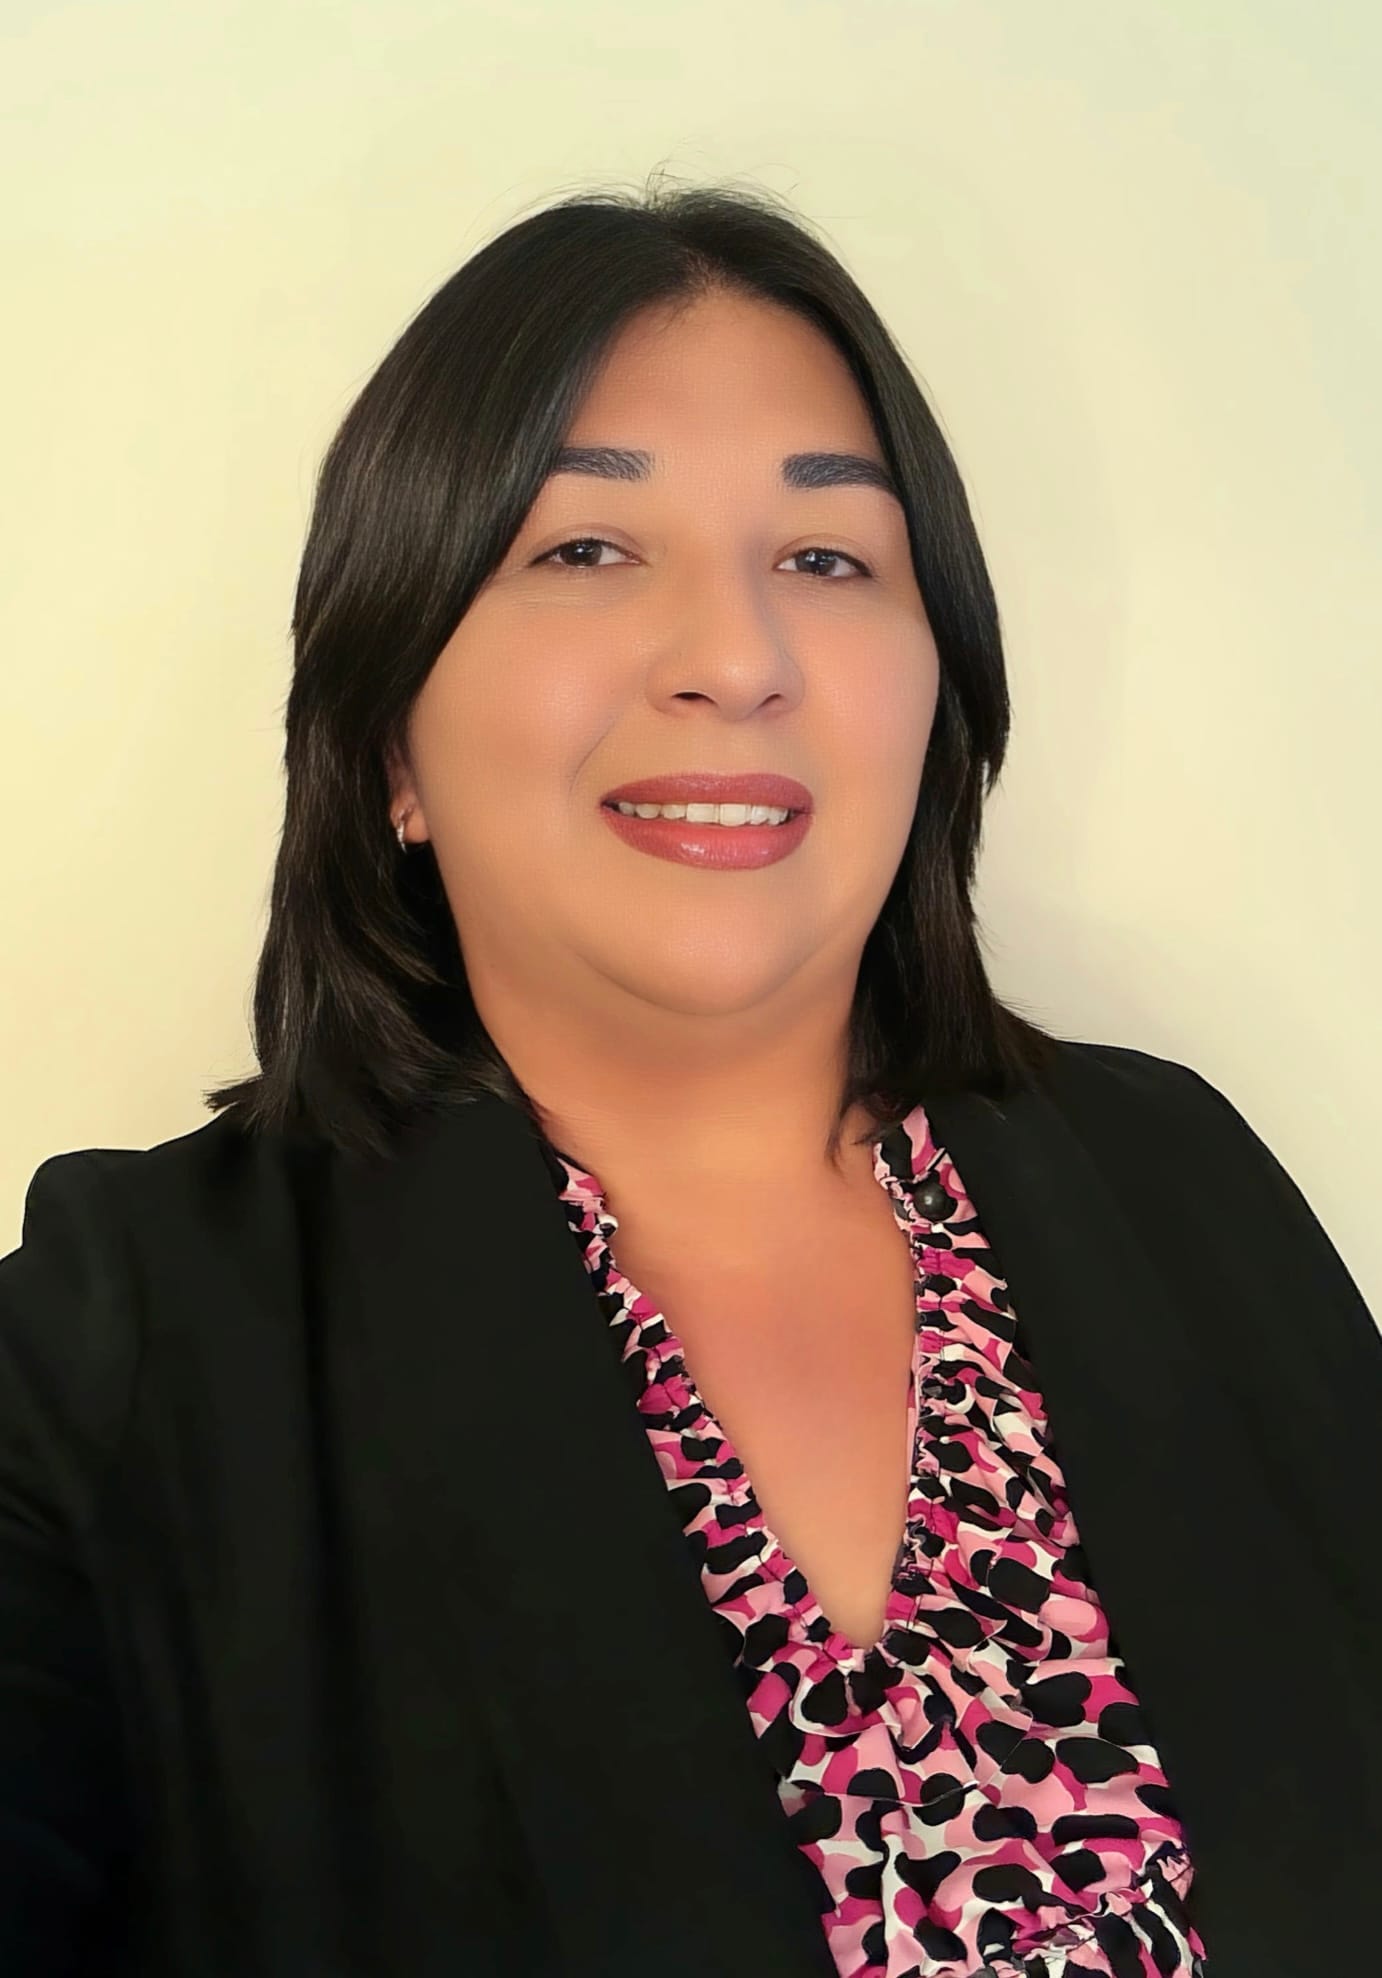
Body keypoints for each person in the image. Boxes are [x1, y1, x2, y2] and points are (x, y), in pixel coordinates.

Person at [2, 174, 1379, 1978]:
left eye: (827, 559)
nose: (735, 659)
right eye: (583, 550)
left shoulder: (1174, 1174)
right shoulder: (124, 1338)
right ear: (388, 744)